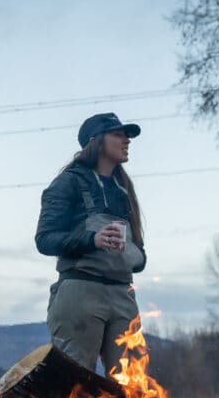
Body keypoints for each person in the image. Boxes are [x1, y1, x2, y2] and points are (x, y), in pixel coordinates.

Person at [35, 112, 147, 373]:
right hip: (80, 292)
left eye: (127, 136)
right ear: (95, 141)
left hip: (123, 295)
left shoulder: (123, 190)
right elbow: (44, 239)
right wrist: (92, 239)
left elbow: (140, 256)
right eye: (118, 134)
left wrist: (134, 255)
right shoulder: (68, 182)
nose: (126, 140)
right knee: (74, 385)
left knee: (131, 389)